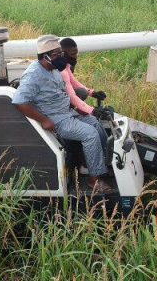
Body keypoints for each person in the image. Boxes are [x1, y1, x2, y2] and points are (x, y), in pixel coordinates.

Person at [12, 34, 114, 194]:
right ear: (45, 57)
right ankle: (94, 181)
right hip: (56, 118)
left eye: (61, 53)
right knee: (90, 134)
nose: (61, 57)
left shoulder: (54, 69)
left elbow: (69, 90)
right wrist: (44, 120)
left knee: (95, 123)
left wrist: (86, 105)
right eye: (56, 54)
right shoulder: (33, 75)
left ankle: (96, 166)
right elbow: (19, 101)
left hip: (67, 112)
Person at [59, 37, 107, 104]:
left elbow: (73, 82)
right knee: (81, 93)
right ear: (63, 54)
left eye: (76, 53)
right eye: (73, 54)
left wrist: (93, 93)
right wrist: (91, 109)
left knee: (82, 92)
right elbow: (72, 95)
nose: (76, 56)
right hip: (54, 99)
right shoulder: (61, 69)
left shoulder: (67, 65)